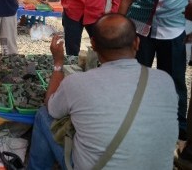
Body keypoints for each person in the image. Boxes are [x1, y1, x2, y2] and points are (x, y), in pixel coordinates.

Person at [28, 13, 178, 169]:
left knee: (43, 115)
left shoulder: (77, 83)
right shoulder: (165, 80)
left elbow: (51, 107)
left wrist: (58, 63)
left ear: (93, 44)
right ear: (137, 43)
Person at [118, 0, 192, 155]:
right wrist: (120, 27)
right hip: (140, 32)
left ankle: (179, 131)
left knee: (175, 83)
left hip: (173, 32)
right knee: (137, 80)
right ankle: (134, 124)